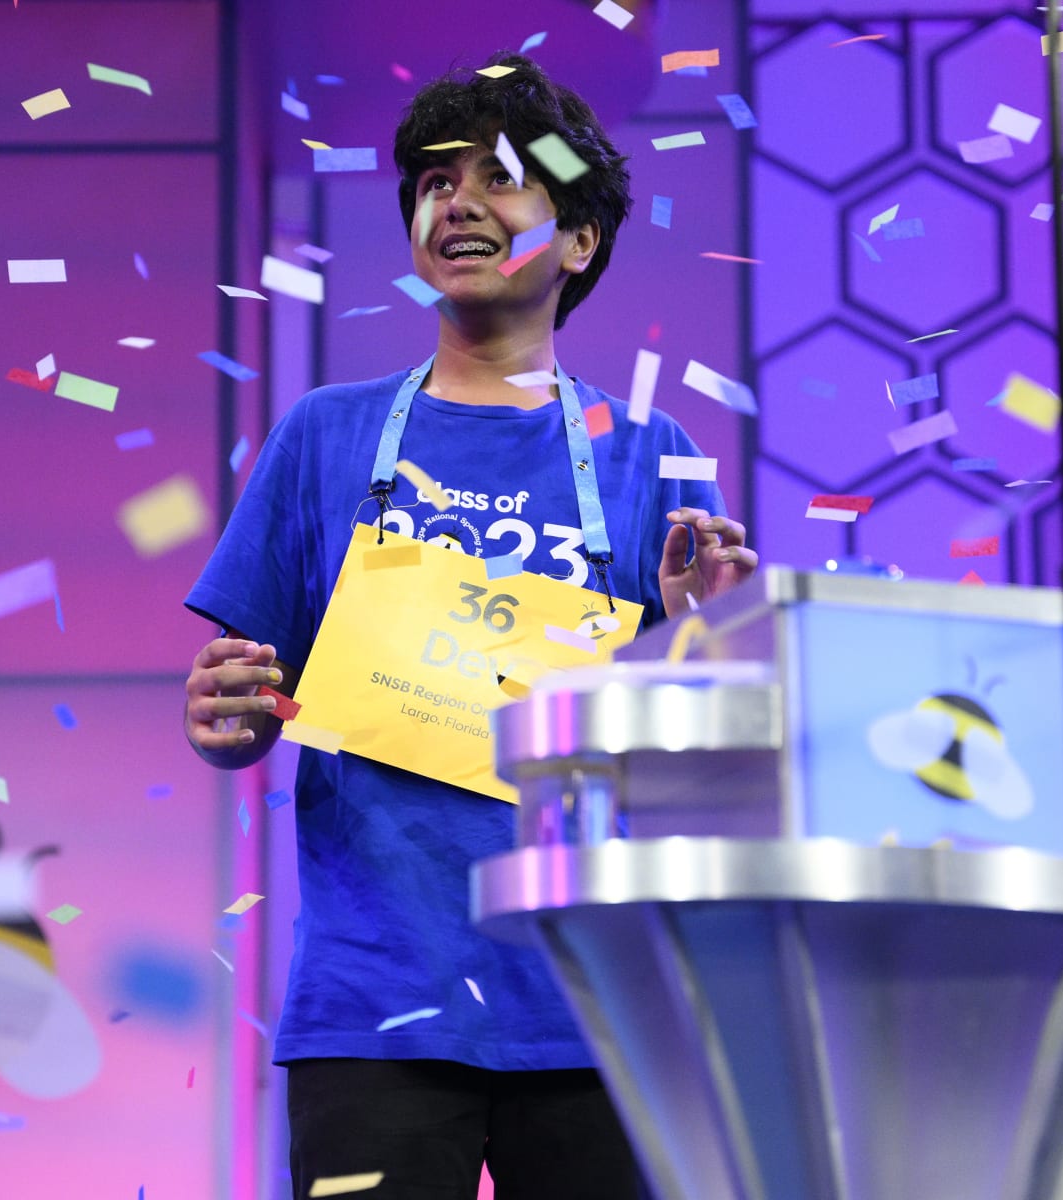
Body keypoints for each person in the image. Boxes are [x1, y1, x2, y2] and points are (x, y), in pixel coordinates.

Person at [181, 54, 756, 1200]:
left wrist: (706, 640)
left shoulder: (654, 449)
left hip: (598, 1001)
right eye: (436, 180)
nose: (459, 199)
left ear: (579, 242)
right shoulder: (323, 435)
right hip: (372, 1004)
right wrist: (224, 719)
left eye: (502, 176)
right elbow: (247, 704)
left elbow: (711, 745)